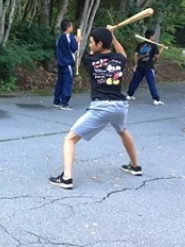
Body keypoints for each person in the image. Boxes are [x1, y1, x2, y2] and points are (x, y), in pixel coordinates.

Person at [49, 26, 142, 190]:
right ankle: (135, 166)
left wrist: (102, 37)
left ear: (99, 44)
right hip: (120, 106)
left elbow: (85, 55)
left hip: (102, 106)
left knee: (69, 139)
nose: (90, 45)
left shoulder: (90, 60)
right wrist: (112, 35)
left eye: (92, 42)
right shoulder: (119, 59)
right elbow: (122, 53)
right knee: (122, 130)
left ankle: (66, 178)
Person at [126, 29, 164, 105]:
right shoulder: (154, 45)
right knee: (151, 82)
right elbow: (156, 57)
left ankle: (129, 95)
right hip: (148, 67)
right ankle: (156, 99)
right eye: (154, 36)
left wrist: (136, 64)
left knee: (135, 80)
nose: (154, 37)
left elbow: (136, 54)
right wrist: (161, 49)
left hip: (140, 65)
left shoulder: (140, 44)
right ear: (151, 36)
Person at [52, 20, 79, 111]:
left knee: (60, 81)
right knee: (67, 82)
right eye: (71, 26)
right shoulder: (70, 38)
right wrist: (77, 41)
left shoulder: (59, 38)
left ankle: (57, 101)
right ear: (68, 27)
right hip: (68, 63)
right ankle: (64, 103)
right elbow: (74, 49)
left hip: (61, 63)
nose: (72, 27)